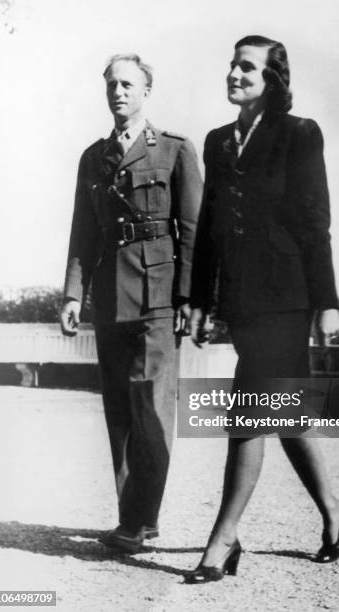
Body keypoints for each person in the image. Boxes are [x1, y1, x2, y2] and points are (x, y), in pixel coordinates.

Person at [187, 35, 339, 583]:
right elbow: (209, 226)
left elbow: (314, 222)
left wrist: (327, 303)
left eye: (247, 67)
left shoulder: (299, 134)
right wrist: (201, 301)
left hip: (288, 296)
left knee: (248, 408)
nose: (235, 73)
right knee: (286, 414)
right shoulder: (217, 141)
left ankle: (224, 538)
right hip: (240, 298)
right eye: (232, 64)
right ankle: (331, 506)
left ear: (273, 77)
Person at [60, 53, 202, 553]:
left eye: (128, 84)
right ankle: (133, 519)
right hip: (110, 300)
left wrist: (189, 296)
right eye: (111, 84)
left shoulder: (174, 151)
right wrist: (74, 293)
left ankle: (142, 518)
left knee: (153, 410)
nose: (118, 91)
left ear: (146, 91)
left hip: (158, 297)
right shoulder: (92, 157)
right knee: (119, 413)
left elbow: (192, 230)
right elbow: (83, 232)